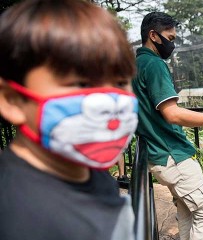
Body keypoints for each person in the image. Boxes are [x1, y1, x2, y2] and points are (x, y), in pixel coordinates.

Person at [0, 1, 138, 240]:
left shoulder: (92, 173)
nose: (109, 102)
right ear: (13, 100)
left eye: (120, 83)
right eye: (82, 84)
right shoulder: (15, 217)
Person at [132, 12, 203, 240]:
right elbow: (172, 114)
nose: (172, 43)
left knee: (187, 212)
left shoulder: (135, 65)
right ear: (153, 35)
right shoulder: (154, 65)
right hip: (173, 156)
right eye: (170, 37)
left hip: (157, 155)